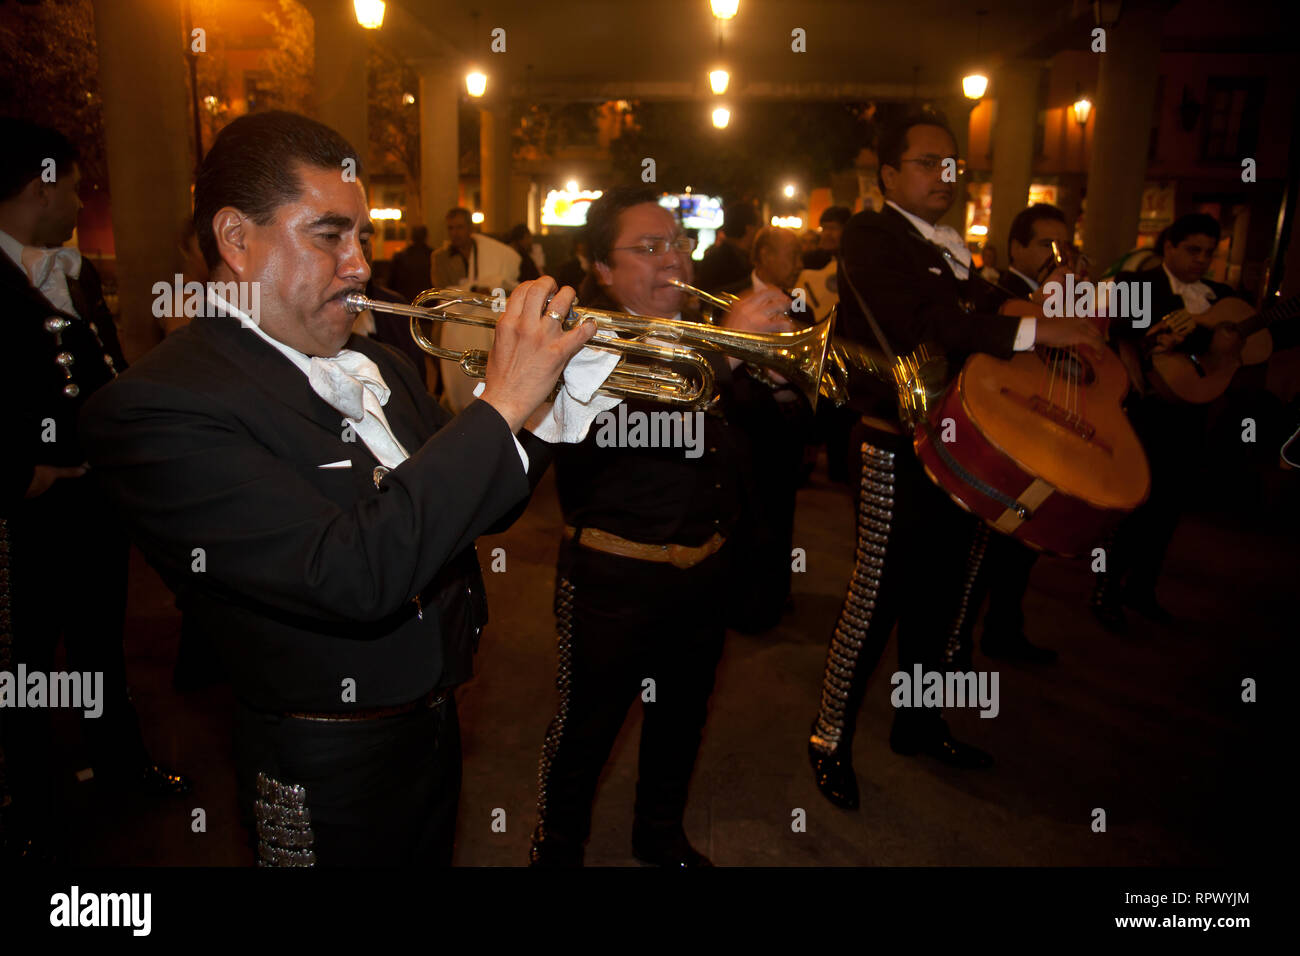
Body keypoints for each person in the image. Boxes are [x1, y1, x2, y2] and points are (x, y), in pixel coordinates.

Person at [79, 111, 600, 867]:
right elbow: (350, 576)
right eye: (329, 235)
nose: (359, 264)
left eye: (359, 235)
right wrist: (501, 404)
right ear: (235, 239)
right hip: (322, 762)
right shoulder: (157, 406)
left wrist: (549, 411)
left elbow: (470, 510)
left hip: (435, 724)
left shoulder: (380, 364)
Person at [806, 113, 1102, 810]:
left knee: (947, 599)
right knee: (876, 599)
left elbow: (980, 302)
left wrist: (1047, 306)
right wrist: (1035, 325)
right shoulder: (872, 235)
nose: (945, 177)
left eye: (953, 166)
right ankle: (828, 738)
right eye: (928, 163)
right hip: (893, 442)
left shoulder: (952, 249)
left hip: (965, 445)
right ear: (887, 176)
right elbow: (925, 325)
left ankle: (920, 722)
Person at [529, 186, 793, 866]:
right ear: (602, 268)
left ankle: (659, 834)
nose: (671, 259)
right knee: (584, 727)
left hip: (703, 571)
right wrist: (729, 356)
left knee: (681, 718)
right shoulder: (581, 339)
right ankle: (555, 847)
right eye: (646, 249)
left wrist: (778, 379)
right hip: (612, 579)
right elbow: (631, 428)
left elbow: (762, 447)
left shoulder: (704, 339)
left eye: (677, 244)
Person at [0, 118, 191, 864]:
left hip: (93, 503)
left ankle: (119, 765)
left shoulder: (72, 273)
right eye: (75, 185)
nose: (82, 200)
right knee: (22, 666)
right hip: (25, 511)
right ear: (39, 183)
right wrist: (19, 474)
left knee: (98, 647)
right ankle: (24, 804)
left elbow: (102, 375)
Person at [1092, 213, 1239, 632]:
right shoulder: (1139, 285)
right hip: (1146, 409)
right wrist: (1182, 338)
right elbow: (1116, 328)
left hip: (1193, 411)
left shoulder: (1220, 296)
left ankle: (1142, 588)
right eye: (1193, 250)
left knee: (1170, 506)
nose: (1202, 260)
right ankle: (1105, 588)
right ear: (1169, 247)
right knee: (1136, 503)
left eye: (1209, 253)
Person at [433, 207, 524, 412]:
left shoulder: (485, 251)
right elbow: (442, 291)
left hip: (483, 323)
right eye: (451, 228)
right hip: (456, 324)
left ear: (470, 228)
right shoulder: (441, 257)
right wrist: (472, 290)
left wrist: (490, 286)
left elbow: (505, 283)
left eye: (459, 227)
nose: (455, 233)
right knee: (453, 376)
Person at [694, 200, 759, 294]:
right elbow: (707, 297)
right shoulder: (718, 259)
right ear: (749, 229)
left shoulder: (717, 256)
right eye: (758, 226)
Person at [386, 223, 433, 303]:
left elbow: (391, 284)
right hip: (428, 303)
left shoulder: (400, 256)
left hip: (406, 302)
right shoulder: (433, 256)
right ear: (426, 237)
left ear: (411, 237)